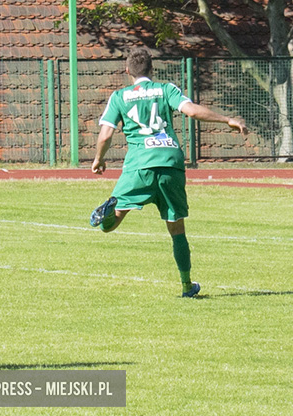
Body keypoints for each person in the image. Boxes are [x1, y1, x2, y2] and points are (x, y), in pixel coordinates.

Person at [89, 47, 247, 297]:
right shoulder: (166, 89)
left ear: (128, 70)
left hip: (139, 166)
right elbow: (192, 111)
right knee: (176, 228)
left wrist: (99, 159)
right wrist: (226, 119)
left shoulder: (119, 96)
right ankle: (187, 285)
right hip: (170, 162)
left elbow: (106, 134)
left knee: (110, 226)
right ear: (152, 70)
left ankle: (109, 212)